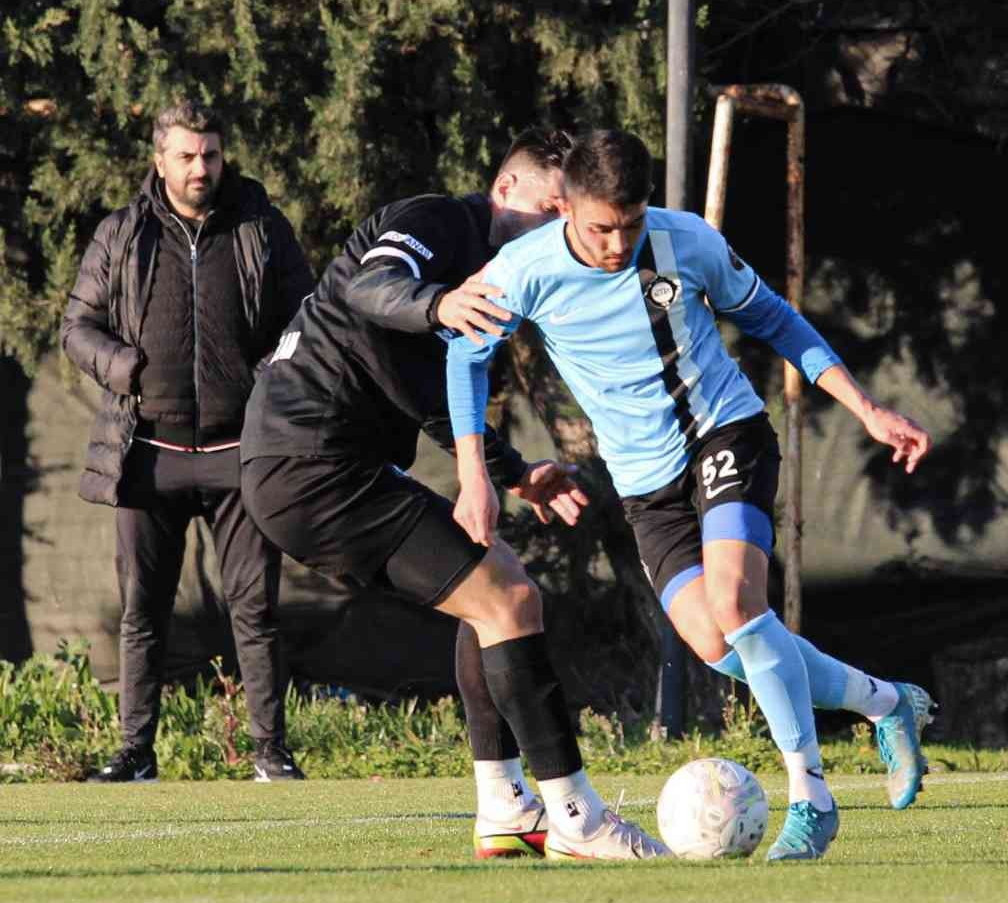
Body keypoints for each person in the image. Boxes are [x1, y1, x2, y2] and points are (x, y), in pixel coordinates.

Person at [447, 127, 936, 863]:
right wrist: (474, 477)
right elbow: (466, 361)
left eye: (632, 224)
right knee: (717, 642)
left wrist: (867, 408)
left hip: (726, 435)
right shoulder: (521, 270)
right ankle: (887, 702)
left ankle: (813, 798)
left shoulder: (687, 241)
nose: (618, 243)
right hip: (647, 486)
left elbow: (774, 317)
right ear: (568, 210)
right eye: (602, 227)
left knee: (741, 607)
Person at [240, 128, 668, 860]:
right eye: (549, 208)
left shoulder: (493, 272)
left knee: (493, 586)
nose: (560, 229)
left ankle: (504, 805)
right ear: (504, 193)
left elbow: (431, 396)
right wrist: (438, 305)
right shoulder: (436, 222)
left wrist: (513, 471)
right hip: (310, 464)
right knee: (509, 598)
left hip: (319, 469)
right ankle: (577, 815)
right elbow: (366, 287)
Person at [61, 99, 316, 783]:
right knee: (142, 609)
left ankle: (271, 755)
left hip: (243, 454)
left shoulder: (261, 227)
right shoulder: (121, 234)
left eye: (209, 153)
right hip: (147, 455)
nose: (199, 167)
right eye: (185, 155)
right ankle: (136, 753)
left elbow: (307, 318)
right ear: (159, 160)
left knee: (256, 608)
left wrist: (267, 378)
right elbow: (76, 327)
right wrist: (125, 368)